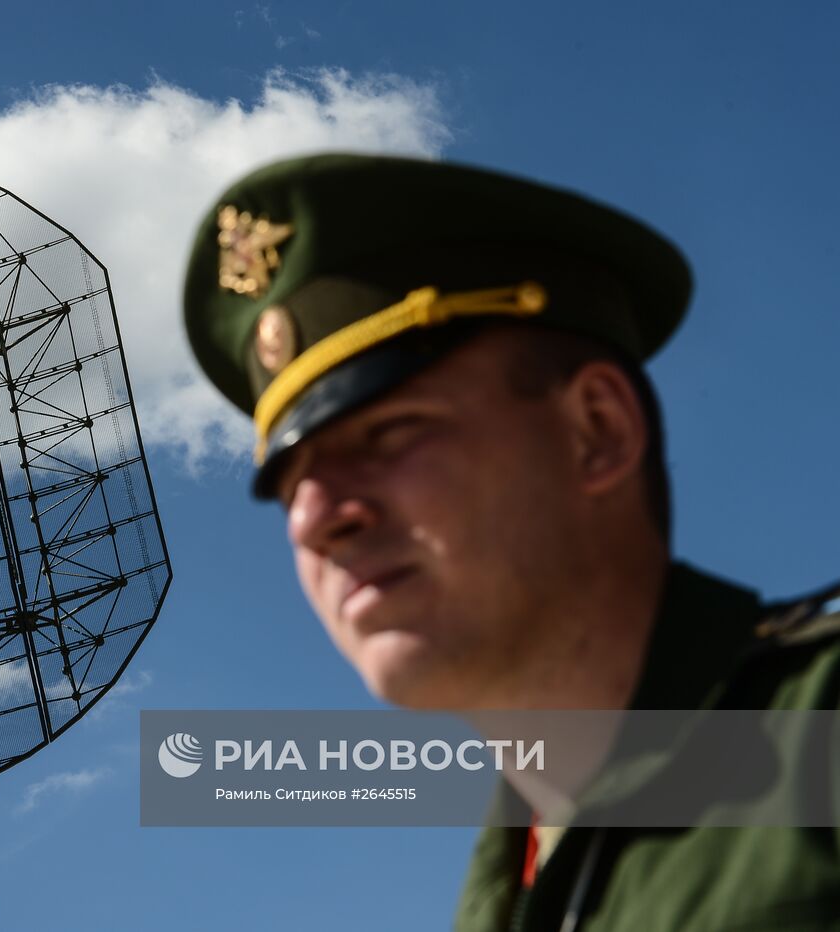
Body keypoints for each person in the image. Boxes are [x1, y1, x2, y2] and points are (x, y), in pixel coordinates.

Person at [181, 153, 840, 931]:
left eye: (391, 432)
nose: (315, 518)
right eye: (291, 485)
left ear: (596, 430)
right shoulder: (505, 897)